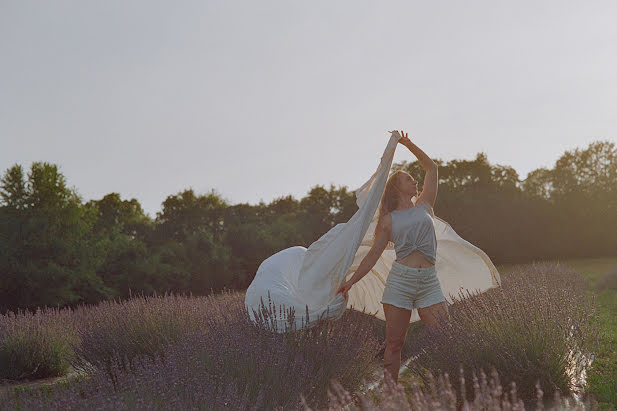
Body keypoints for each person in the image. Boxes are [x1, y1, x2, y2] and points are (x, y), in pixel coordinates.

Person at [335, 130, 448, 386]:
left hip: (429, 281)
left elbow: (431, 168)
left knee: (446, 336)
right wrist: (351, 282)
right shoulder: (388, 221)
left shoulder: (425, 205)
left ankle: (449, 387)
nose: (415, 182)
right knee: (395, 343)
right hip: (401, 283)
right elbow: (373, 255)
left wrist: (407, 144)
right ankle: (389, 395)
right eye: (409, 179)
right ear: (397, 187)